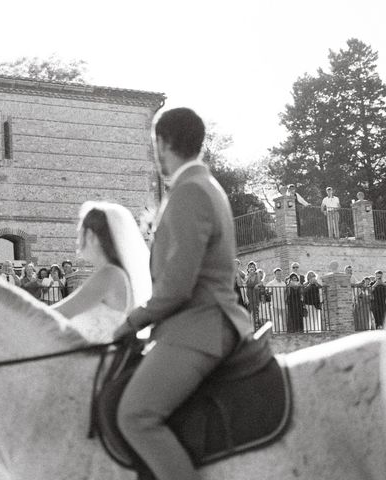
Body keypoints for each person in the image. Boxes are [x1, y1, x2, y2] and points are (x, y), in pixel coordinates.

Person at [112, 107, 253, 480]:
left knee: (135, 415)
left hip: (199, 327)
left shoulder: (189, 191)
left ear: (163, 142)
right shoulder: (205, 185)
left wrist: (133, 320)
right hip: (202, 322)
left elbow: (177, 286)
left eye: (153, 144)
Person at [52, 202, 151, 344]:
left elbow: (59, 313)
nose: (77, 240)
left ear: (91, 236)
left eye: (80, 232)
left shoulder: (109, 275)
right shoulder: (115, 273)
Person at [245, 261, 262, 329]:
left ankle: (256, 326)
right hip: (249, 294)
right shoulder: (247, 275)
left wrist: (257, 285)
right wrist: (249, 275)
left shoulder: (257, 274)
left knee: (256, 309)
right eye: (250, 267)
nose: (252, 268)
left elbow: (260, 283)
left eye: (253, 266)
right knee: (249, 310)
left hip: (255, 293)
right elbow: (245, 283)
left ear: (255, 267)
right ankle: (249, 327)